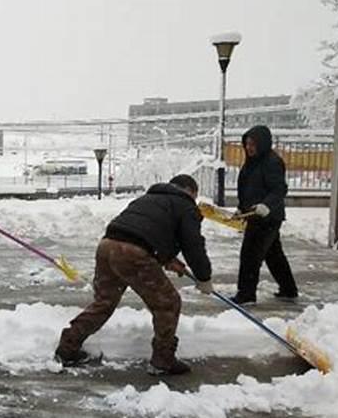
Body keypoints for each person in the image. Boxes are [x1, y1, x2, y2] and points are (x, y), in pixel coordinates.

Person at [54, 175, 213, 376]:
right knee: (168, 303)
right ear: (191, 191)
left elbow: (146, 231)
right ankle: (163, 361)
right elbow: (193, 244)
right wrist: (204, 277)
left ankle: (67, 348)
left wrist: (167, 259)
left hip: (107, 246)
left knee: (104, 302)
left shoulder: (148, 199)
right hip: (133, 252)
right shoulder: (185, 204)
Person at [230, 125, 298, 305]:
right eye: (247, 144)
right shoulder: (252, 162)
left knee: (250, 256)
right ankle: (289, 290)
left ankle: (246, 295)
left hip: (267, 218)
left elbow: (279, 189)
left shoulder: (272, 162)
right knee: (274, 255)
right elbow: (248, 189)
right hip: (254, 215)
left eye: (253, 144)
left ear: (263, 143)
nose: (249, 147)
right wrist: (241, 208)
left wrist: (266, 206)